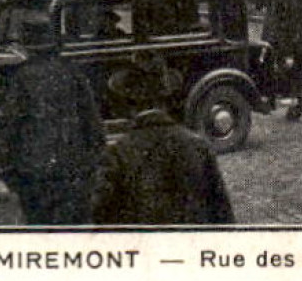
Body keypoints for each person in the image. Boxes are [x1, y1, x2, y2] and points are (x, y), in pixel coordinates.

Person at [1, 7, 106, 224]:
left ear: (28, 47)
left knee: (40, 227)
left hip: (34, 170)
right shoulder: (72, 72)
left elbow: (10, 124)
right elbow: (92, 119)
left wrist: (6, 162)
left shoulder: (21, 77)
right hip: (71, 166)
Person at [93, 67, 235, 225]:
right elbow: (223, 215)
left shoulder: (118, 153)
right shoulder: (199, 146)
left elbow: (100, 216)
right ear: (167, 102)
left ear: (128, 106)